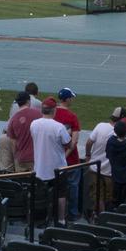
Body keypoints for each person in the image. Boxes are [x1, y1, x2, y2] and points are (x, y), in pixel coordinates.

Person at [30, 96, 71, 219]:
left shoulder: (34, 124)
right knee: (61, 195)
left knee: (42, 194)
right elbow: (67, 143)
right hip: (58, 168)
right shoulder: (59, 127)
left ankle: (42, 217)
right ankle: (61, 220)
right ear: (54, 110)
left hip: (40, 168)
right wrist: (68, 133)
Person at [85, 107, 126, 214]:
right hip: (109, 172)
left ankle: (98, 216)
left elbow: (89, 142)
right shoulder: (121, 133)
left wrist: (88, 155)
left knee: (97, 196)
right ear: (121, 119)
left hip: (95, 168)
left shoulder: (100, 126)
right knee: (109, 198)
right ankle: (104, 218)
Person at [55, 88, 83, 221]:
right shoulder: (72, 117)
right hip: (70, 160)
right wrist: (64, 157)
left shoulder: (52, 114)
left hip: (54, 159)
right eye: (71, 97)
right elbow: (74, 142)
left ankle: (56, 213)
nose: (72, 99)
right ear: (67, 99)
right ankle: (73, 213)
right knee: (73, 186)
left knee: (57, 188)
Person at [7, 90, 43, 174]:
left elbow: (13, 143)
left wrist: (16, 156)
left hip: (21, 159)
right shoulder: (38, 114)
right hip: (36, 158)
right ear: (28, 101)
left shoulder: (13, 119)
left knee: (22, 183)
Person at [106, 120, 126, 207]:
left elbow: (108, 155)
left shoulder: (110, 142)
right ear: (125, 132)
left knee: (115, 201)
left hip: (115, 176)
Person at [0, 92, 32, 172]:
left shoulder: (14, 104)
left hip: (5, 135)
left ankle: (6, 181)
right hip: (16, 138)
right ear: (28, 101)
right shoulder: (36, 105)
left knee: (6, 170)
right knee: (20, 170)